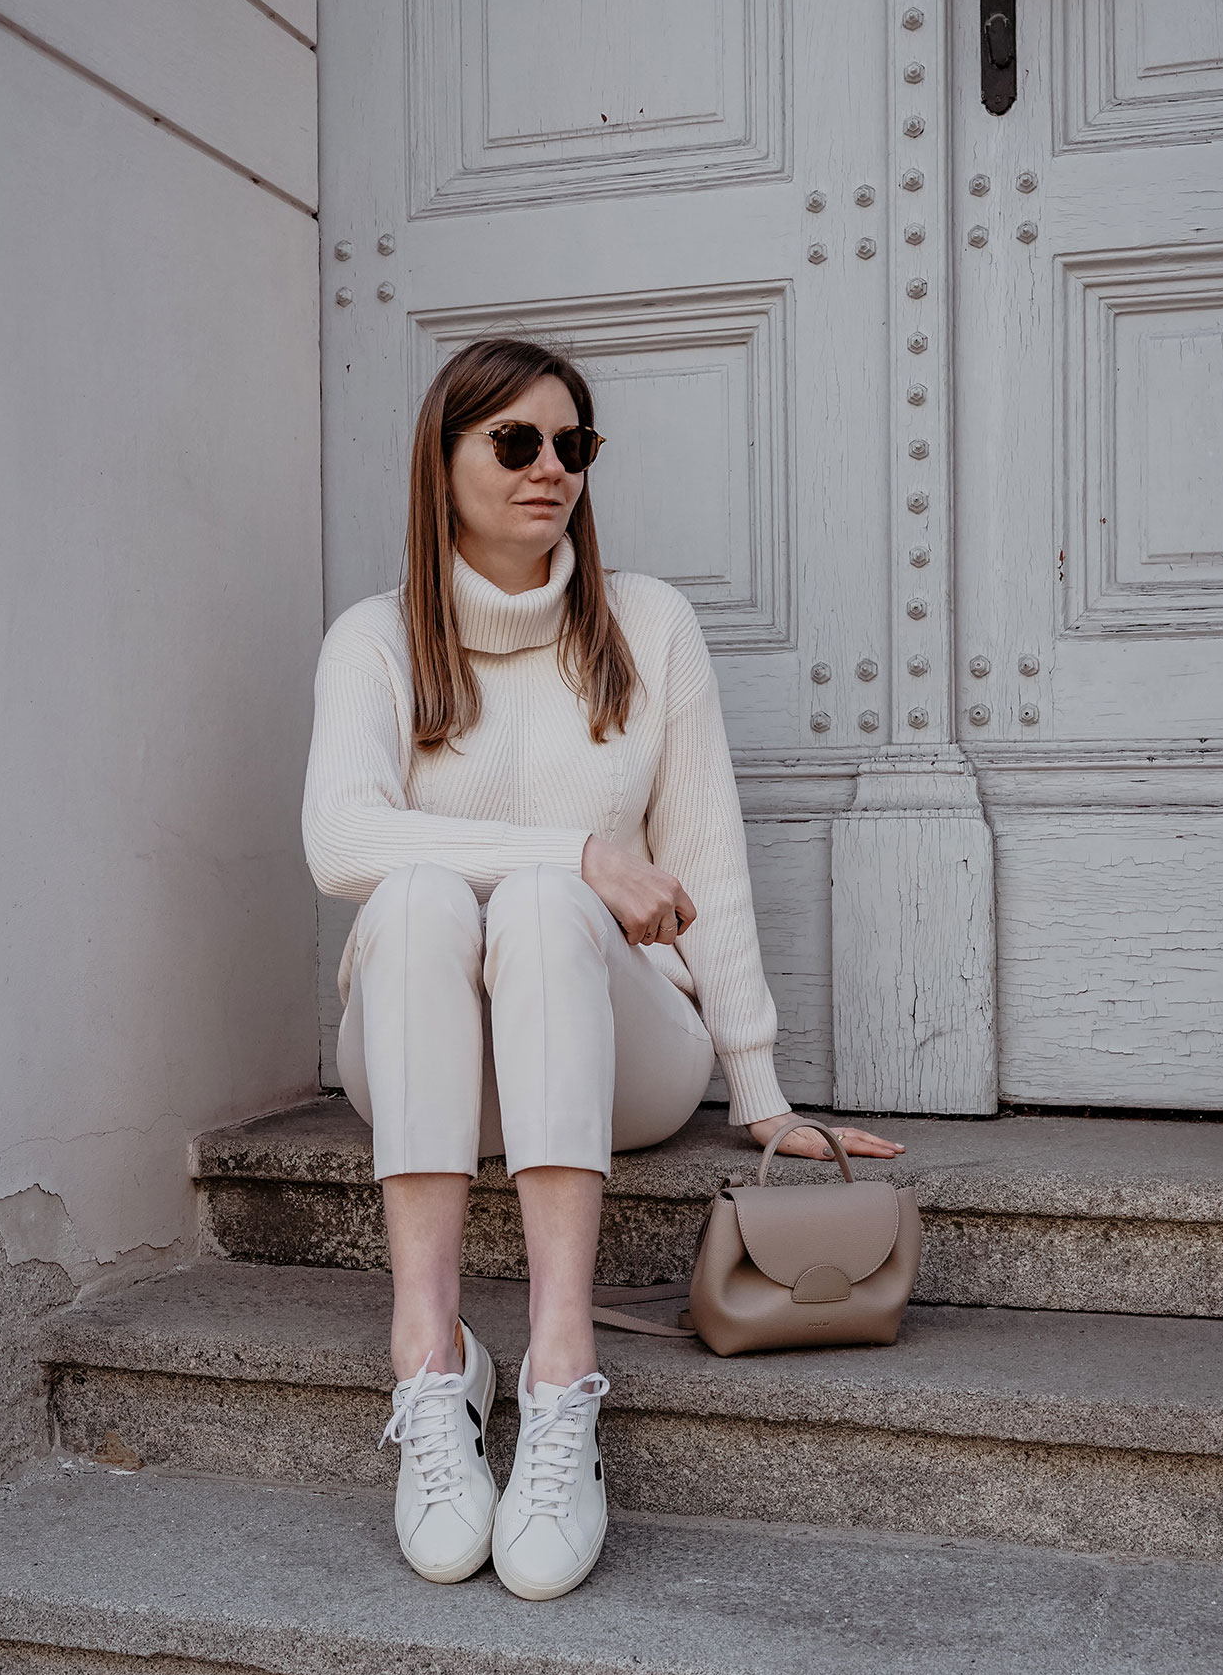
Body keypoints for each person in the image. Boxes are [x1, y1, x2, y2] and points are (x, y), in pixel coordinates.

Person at [303, 336, 902, 1602]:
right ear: (443, 460)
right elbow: (338, 840)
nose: (547, 469)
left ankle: (560, 1368)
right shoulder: (374, 640)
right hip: (426, 1068)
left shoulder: (645, 623)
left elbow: (706, 860)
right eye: (512, 442)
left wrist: (759, 1087)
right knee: (417, 892)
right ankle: (429, 1357)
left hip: (619, 1058)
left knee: (534, 899)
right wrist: (576, 849)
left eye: (570, 444)